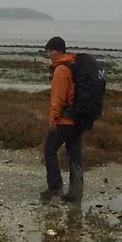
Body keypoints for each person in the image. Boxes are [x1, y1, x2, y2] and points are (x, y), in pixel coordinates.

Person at [41, 36, 84, 203]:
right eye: (47, 51)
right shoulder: (74, 65)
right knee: (74, 153)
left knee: (50, 148)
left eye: (50, 51)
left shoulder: (61, 70)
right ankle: (76, 191)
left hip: (65, 120)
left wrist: (53, 118)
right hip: (78, 118)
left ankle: (55, 187)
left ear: (57, 51)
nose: (48, 54)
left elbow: (58, 98)